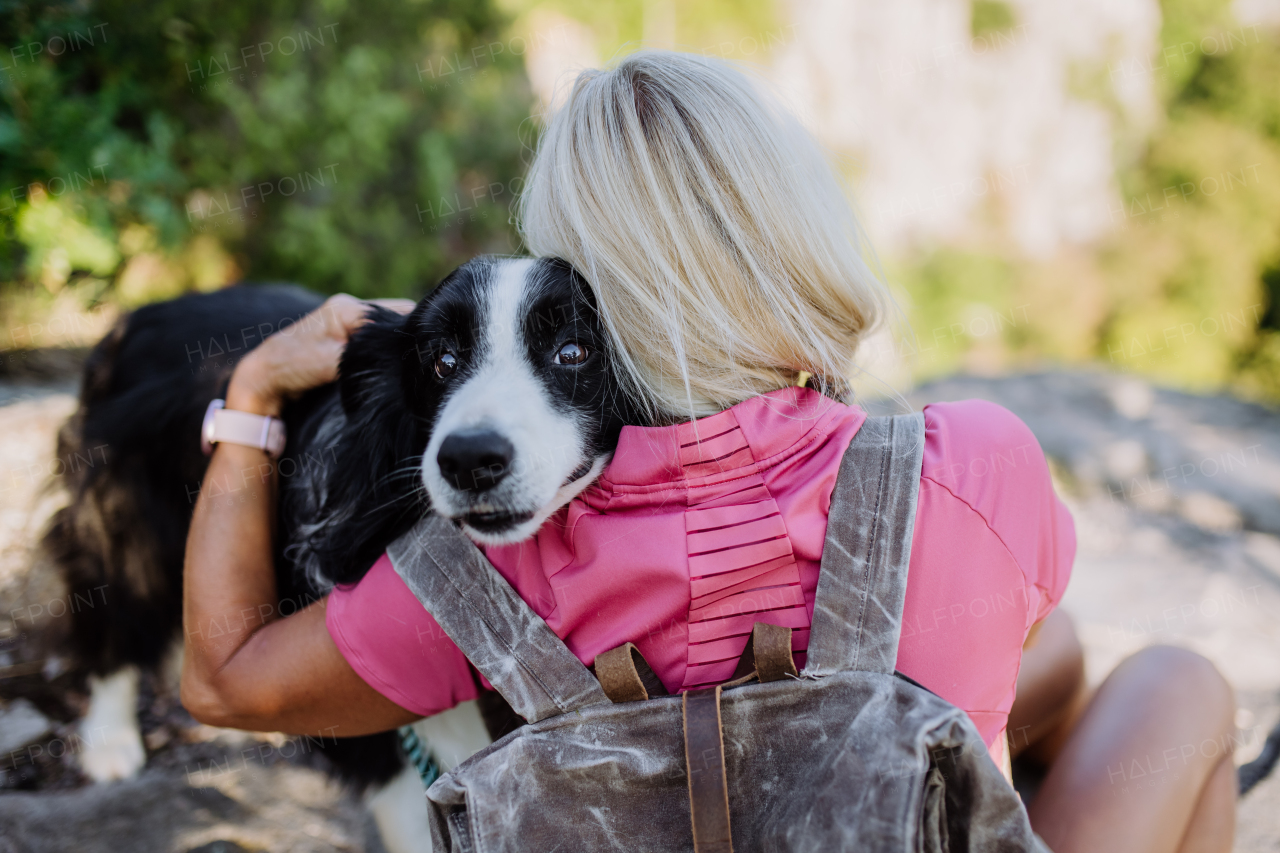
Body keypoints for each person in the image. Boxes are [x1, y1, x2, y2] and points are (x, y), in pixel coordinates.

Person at [181, 50, 1237, 852]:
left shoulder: (492, 561)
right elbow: (1010, 617)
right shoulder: (961, 463)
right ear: (794, 238)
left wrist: (248, 404)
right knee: (1171, 683)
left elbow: (223, 681)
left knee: (1052, 662)